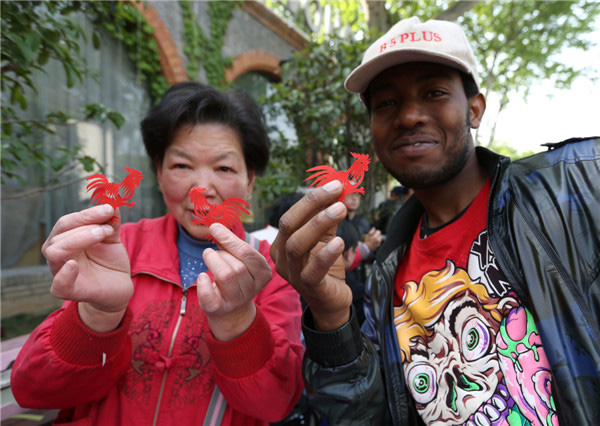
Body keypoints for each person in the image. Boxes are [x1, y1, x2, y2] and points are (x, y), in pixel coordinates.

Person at [270, 16, 600, 426]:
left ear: (475, 109)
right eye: (386, 103)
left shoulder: (578, 184)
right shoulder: (382, 283)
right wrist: (331, 317)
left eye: (434, 92)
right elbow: (361, 417)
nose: (408, 116)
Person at [11, 82, 305, 425]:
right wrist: (97, 315)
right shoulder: (115, 247)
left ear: (250, 180)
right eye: (182, 166)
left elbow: (274, 404)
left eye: (224, 168)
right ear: (159, 172)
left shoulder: (271, 270)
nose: (202, 188)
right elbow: (35, 391)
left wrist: (238, 320)